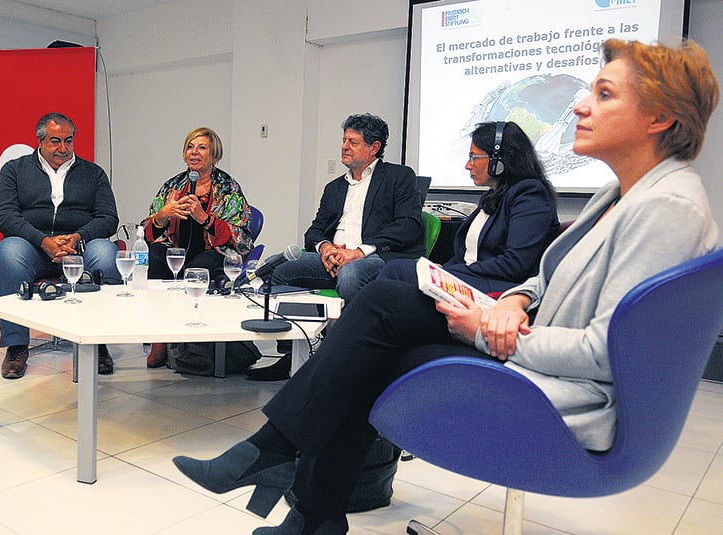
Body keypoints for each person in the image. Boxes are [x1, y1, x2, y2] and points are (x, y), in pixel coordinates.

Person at [172, 38, 719, 534]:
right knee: (377, 329)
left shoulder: (666, 209)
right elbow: (543, 275)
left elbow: (603, 354)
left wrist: (485, 328)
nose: (579, 105)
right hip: (525, 337)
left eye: (603, 94)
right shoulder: (619, 194)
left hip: (559, 389)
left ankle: (278, 462)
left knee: (381, 313)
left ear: (659, 117)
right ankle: (307, 506)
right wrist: (517, 299)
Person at [252, 113, 424, 381]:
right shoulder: (334, 187)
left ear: (374, 147)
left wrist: (358, 252)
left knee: (351, 274)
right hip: (334, 258)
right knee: (276, 268)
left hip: (376, 258)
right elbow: (314, 231)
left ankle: (343, 360)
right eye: (344, 140)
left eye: (353, 142)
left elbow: (408, 225)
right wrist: (325, 248)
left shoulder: (398, 176)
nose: (344, 146)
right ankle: (292, 355)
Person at [0, 112, 120, 378]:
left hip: (79, 249)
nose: (63, 148)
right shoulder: (15, 170)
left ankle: (98, 343)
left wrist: (79, 236)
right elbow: (4, 216)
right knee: (8, 252)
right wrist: (43, 241)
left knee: (107, 253)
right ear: (40, 141)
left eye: (68, 140)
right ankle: (16, 345)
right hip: (33, 248)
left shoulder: (93, 173)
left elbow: (108, 218)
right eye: (55, 141)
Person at [379, 120, 560, 294]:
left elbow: (515, 264)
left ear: (499, 159)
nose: (468, 165)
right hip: (471, 278)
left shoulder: (530, 194)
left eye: (474, 157)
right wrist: (444, 269)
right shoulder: (493, 197)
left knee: (396, 271)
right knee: (394, 280)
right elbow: (466, 255)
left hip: (498, 287)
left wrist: (452, 272)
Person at [141, 126, 254, 368]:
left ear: (214, 156)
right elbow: (148, 230)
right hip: (176, 249)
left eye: (201, 148)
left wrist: (204, 218)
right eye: (190, 147)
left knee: (199, 266)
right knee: (154, 256)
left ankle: (190, 342)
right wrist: (163, 215)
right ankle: (159, 339)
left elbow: (241, 237)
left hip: (213, 252)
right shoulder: (173, 185)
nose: (194, 152)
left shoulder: (228, 188)